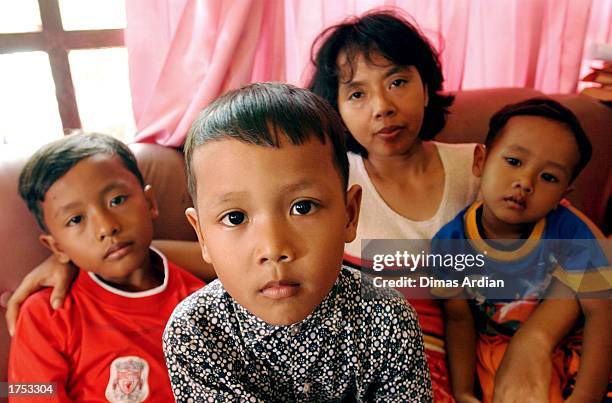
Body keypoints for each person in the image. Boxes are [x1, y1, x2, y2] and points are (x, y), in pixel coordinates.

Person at [162, 82, 433, 401]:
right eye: (235, 217)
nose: (274, 248)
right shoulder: (196, 331)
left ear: (349, 214)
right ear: (202, 236)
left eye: (302, 207)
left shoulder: (386, 319)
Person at [307, 10, 480, 401]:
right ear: (337, 109)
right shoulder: (330, 182)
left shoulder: (479, 168)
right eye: (357, 93)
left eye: (397, 81)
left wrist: (536, 337)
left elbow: (580, 261)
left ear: (425, 86)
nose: (382, 106)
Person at [431, 98, 611, 403]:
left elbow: (601, 312)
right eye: (514, 161)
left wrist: (585, 396)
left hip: (570, 352)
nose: (525, 183)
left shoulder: (570, 234)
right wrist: (462, 390)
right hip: (495, 357)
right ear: (480, 162)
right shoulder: (450, 243)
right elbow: (459, 321)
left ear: (562, 195)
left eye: (549, 177)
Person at [9, 133, 204, 402]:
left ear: (149, 203)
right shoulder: (47, 315)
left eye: (117, 200)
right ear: (57, 248)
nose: (106, 226)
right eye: (76, 219)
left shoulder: (199, 300)